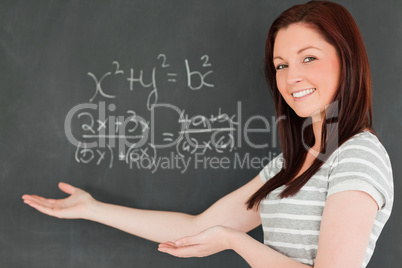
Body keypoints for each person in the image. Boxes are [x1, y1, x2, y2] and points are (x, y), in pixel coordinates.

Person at [22, 1, 393, 267]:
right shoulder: (290, 164)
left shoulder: (356, 156)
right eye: (281, 65)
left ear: (346, 60)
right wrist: (93, 209)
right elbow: (200, 226)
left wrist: (235, 243)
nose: (291, 76)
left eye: (309, 58)